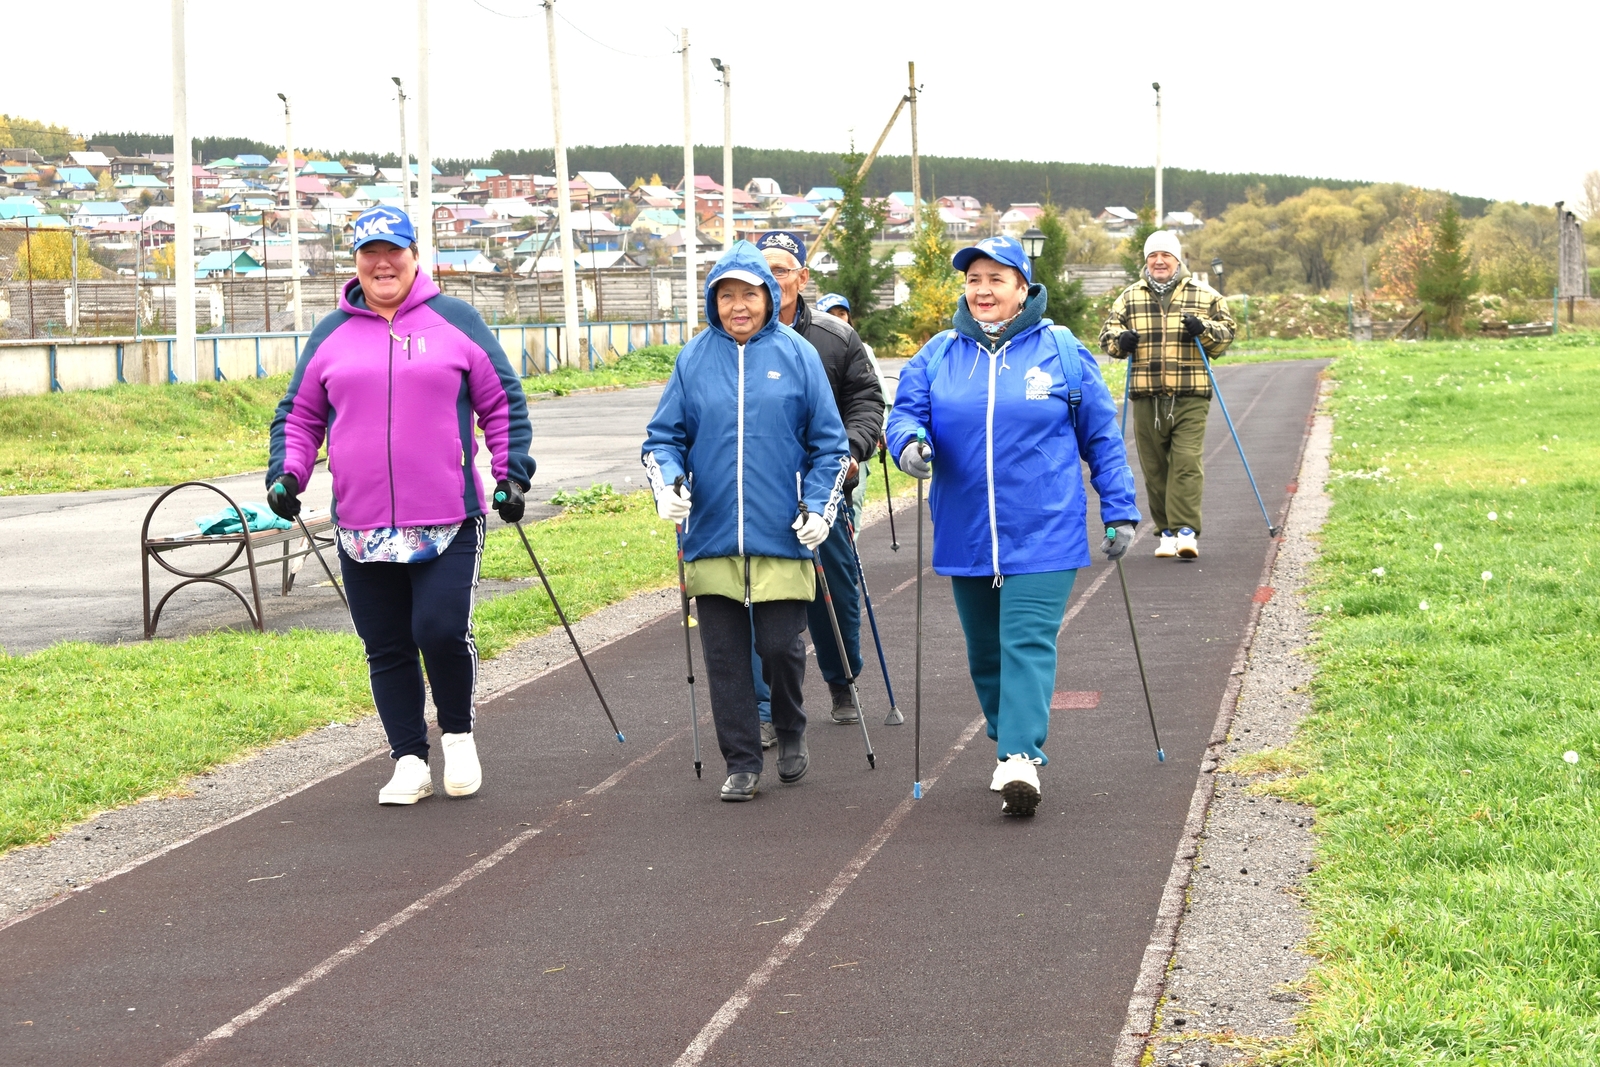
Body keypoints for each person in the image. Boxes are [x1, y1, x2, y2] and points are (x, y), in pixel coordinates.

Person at [266, 205, 533, 806]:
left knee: (438, 629)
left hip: (447, 517)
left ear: (416, 256)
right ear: (356, 261)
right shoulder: (331, 332)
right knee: (385, 643)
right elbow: (300, 415)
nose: (382, 264)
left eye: (394, 251)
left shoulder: (455, 321)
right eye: (370, 253)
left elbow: (503, 404)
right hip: (361, 525)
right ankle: (409, 758)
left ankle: (458, 735)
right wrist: (288, 472)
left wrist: (510, 475)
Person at [885, 235, 1139, 817]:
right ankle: (1009, 745)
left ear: (1023, 288)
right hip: (966, 528)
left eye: (997, 279)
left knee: (1025, 640)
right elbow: (905, 415)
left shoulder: (1063, 351)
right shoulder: (939, 354)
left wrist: (1119, 508)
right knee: (984, 652)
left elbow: (1100, 435)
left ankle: (1020, 755)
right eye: (974, 280)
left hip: (1045, 527)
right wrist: (909, 447)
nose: (983, 291)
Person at [642, 240, 851, 802]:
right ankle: (740, 760)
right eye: (726, 295)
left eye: (749, 294)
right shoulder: (693, 358)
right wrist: (669, 483)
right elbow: (663, 438)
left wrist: (819, 507)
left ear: (768, 295)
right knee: (725, 657)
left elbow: (829, 447)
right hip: (710, 534)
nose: (738, 305)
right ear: (713, 300)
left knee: (782, 647)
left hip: (782, 532)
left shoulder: (798, 355)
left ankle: (790, 729)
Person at [753, 231, 885, 739]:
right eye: (765, 268)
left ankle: (841, 679)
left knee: (834, 589)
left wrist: (852, 451)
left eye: (783, 269)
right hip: (756, 491)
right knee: (753, 597)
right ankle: (763, 709)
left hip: (824, 488)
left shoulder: (835, 337)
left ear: (802, 278)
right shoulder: (730, 335)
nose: (773, 279)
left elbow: (867, 402)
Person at [1098, 230, 1236, 560]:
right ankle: (1166, 533)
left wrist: (1204, 329)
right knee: (1155, 468)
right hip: (1146, 396)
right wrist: (1122, 341)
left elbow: (1227, 334)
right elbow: (1107, 336)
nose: (1159, 261)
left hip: (1190, 395)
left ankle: (1186, 531)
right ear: (1146, 261)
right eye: (1152, 256)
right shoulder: (1130, 298)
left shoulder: (1206, 296)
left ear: (1178, 260)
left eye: (1166, 256)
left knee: (1186, 462)